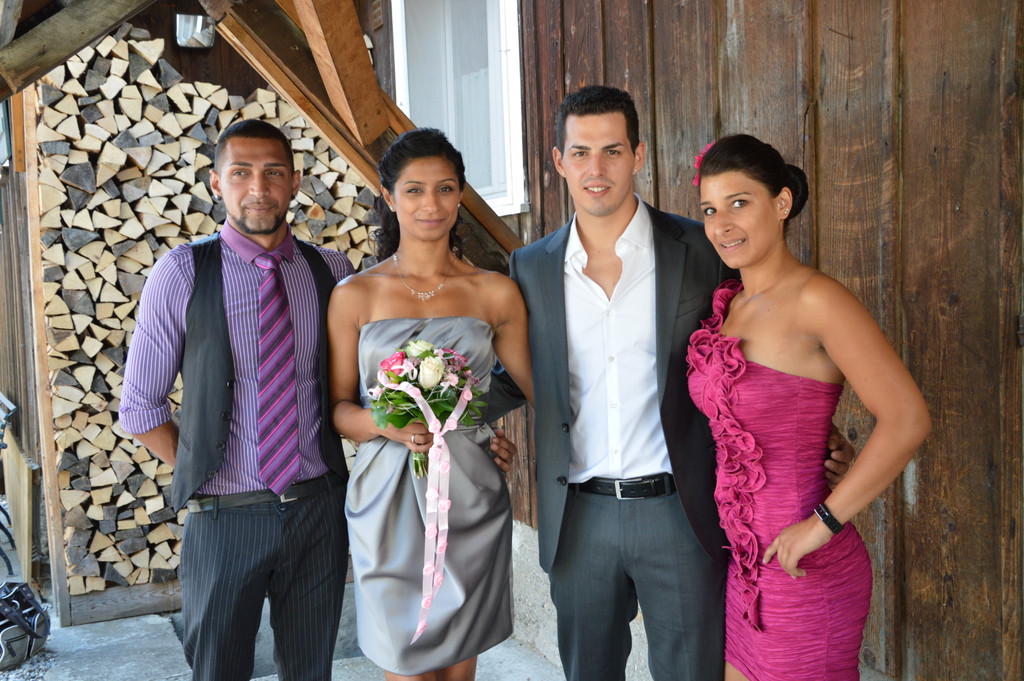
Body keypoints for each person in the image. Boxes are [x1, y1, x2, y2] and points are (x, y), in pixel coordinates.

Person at [487, 86, 854, 681]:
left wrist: (816, 434)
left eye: (612, 150)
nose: (596, 169)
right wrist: (437, 417)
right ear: (558, 161)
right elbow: (514, 373)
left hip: (681, 513)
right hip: (577, 519)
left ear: (638, 155)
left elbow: (750, 350)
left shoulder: (702, 250)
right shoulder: (529, 266)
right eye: (580, 152)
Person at [688, 133, 930, 681]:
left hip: (805, 567)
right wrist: (822, 433)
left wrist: (820, 525)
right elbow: (769, 408)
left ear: (781, 203)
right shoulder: (730, 306)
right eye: (710, 210)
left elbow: (907, 419)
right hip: (744, 569)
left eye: (739, 203)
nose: (722, 224)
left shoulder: (818, 299)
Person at [118, 119, 352, 681]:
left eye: (273, 173)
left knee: (311, 671)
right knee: (219, 670)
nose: (258, 188)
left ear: (295, 182)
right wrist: (208, 471)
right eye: (241, 172)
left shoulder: (332, 272)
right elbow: (141, 409)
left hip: (318, 510)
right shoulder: (183, 271)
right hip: (225, 517)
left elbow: (367, 390)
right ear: (216, 183)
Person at [327, 128, 534, 681]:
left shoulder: (494, 291)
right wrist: (385, 423)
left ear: (460, 194)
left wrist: (485, 429)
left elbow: (537, 388)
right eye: (414, 190)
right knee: (404, 656)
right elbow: (340, 410)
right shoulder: (354, 295)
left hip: (468, 488)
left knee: (459, 661)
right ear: (389, 196)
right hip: (386, 497)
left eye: (445, 188)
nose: (431, 204)